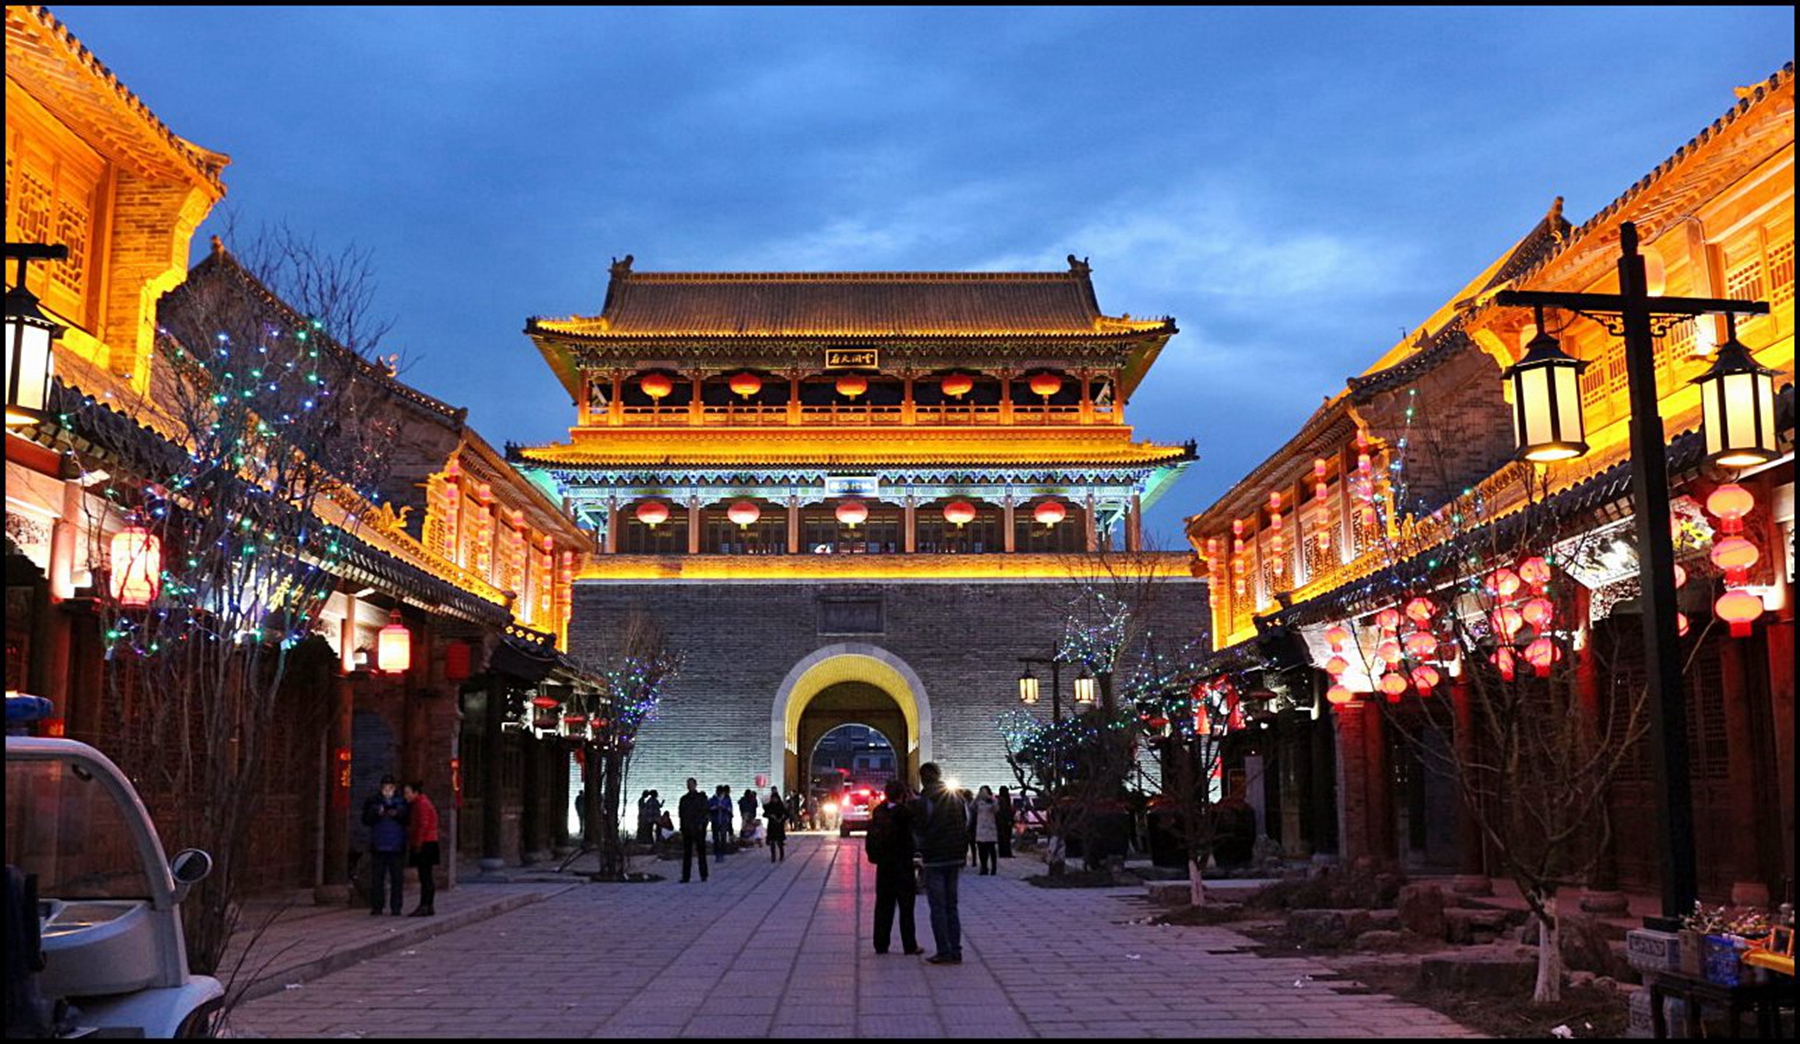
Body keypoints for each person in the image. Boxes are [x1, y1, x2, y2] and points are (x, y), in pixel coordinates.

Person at [912, 762, 967, 964]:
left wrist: (920, 851)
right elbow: (966, 822)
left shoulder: (925, 799)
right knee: (952, 906)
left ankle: (944, 950)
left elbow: (919, 829)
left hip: (935, 859)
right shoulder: (957, 797)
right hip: (955, 857)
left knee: (938, 907)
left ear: (923, 778)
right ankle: (956, 950)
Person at [867, 778, 922, 956]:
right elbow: (914, 836)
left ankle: (880, 944)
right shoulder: (906, 813)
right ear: (902, 795)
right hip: (903, 865)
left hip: (884, 865)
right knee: (906, 907)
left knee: (883, 906)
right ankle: (909, 945)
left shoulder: (879, 812)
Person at [361, 775, 408, 916]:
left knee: (397, 879)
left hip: (396, 846)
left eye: (390, 787)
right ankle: (377, 906)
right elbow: (366, 820)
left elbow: (407, 819)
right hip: (378, 845)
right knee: (377, 879)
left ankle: (396, 907)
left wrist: (397, 813)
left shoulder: (401, 801)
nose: (387, 790)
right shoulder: (373, 801)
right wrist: (377, 813)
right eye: (385, 787)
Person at [402, 781, 439, 916]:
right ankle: (428, 905)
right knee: (426, 876)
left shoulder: (421, 804)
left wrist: (417, 844)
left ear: (415, 792)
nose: (406, 796)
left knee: (425, 876)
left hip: (425, 843)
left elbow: (422, 825)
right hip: (428, 841)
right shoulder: (421, 803)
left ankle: (425, 905)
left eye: (407, 793)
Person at [677, 778, 710, 883]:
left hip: (698, 829)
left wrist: (702, 825)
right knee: (687, 853)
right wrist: (682, 828)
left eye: (691, 784)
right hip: (687, 829)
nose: (689, 786)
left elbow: (705, 813)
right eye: (688, 784)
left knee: (701, 853)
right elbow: (681, 815)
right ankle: (686, 876)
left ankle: (703, 875)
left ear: (695, 785)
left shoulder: (701, 798)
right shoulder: (684, 799)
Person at [972, 786, 1000, 875]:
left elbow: (996, 810)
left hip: (990, 828)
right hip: (980, 828)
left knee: (991, 849)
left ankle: (994, 868)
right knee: (981, 850)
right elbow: (971, 807)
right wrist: (977, 797)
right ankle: (983, 867)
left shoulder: (993, 800)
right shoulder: (979, 802)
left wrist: (991, 799)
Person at [764, 788, 788, 862]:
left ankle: (781, 855)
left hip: (779, 826)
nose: (774, 800)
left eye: (776, 798)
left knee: (779, 842)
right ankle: (773, 856)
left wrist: (782, 818)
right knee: (772, 842)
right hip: (772, 826)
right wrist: (770, 816)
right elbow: (765, 814)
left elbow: (786, 814)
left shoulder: (781, 806)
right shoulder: (769, 806)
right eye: (773, 798)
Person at [710, 785, 734, 859]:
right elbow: (708, 808)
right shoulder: (712, 799)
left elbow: (730, 809)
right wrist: (715, 807)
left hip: (724, 820)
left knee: (723, 836)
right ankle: (716, 851)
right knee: (716, 837)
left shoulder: (726, 800)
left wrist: (725, 808)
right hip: (715, 820)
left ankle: (723, 851)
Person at [997, 786, 1015, 860]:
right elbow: (1006, 812)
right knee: (1006, 838)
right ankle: (1006, 852)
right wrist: (1009, 820)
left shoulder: (999, 800)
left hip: (1001, 822)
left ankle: (1003, 852)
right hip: (1005, 822)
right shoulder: (1004, 800)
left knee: (1002, 838)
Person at [963, 788, 979, 868]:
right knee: (971, 845)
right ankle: (973, 861)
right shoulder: (970, 803)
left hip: (969, 826)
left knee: (967, 845)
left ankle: (967, 860)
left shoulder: (966, 803)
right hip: (972, 826)